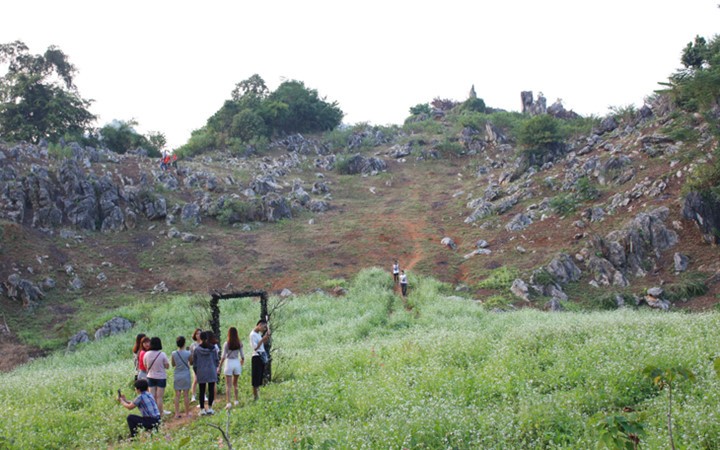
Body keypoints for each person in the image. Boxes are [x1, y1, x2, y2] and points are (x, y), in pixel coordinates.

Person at [193, 331, 219, 415]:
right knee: (211, 389)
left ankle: (202, 409)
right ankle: (210, 408)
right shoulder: (213, 348)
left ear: (200, 338)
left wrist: (196, 371)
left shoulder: (197, 349)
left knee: (202, 390)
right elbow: (216, 360)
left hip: (201, 371)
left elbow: (195, 363)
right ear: (207, 338)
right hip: (211, 370)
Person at [218, 327, 244, 409]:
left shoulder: (227, 344)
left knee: (228, 385)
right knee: (235, 384)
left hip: (229, 362)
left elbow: (223, 357)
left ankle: (228, 402)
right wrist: (241, 363)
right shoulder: (239, 343)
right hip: (236, 362)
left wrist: (219, 366)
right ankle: (236, 400)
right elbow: (242, 356)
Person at [143, 337, 170, 416]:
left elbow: (145, 365)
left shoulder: (146, 354)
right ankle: (160, 413)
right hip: (161, 377)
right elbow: (167, 366)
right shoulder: (162, 354)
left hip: (150, 377)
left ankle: (154, 413)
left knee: (152, 397)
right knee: (159, 397)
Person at [171, 336, 193, 418]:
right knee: (186, 395)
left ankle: (177, 413)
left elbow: (173, 364)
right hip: (186, 374)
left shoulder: (174, 353)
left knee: (177, 395)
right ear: (184, 343)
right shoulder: (188, 353)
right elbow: (191, 362)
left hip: (177, 374)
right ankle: (187, 413)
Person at [249, 320, 271, 401]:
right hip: (256, 357)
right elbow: (255, 347)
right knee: (255, 379)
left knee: (259, 378)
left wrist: (266, 337)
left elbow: (261, 344)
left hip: (261, 356)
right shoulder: (252, 335)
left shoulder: (258, 335)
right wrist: (262, 339)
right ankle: (255, 397)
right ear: (259, 325)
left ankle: (258, 396)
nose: (264, 329)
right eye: (264, 327)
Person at [189, 328, 203, 403]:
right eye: (197, 333)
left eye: (200, 333)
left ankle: (203, 395)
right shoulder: (193, 345)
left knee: (203, 380)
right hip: (196, 364)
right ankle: (193, 396)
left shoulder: (204, 343)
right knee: (196, 379)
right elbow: (190, 355)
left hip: (204, 364)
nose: (198, 335)